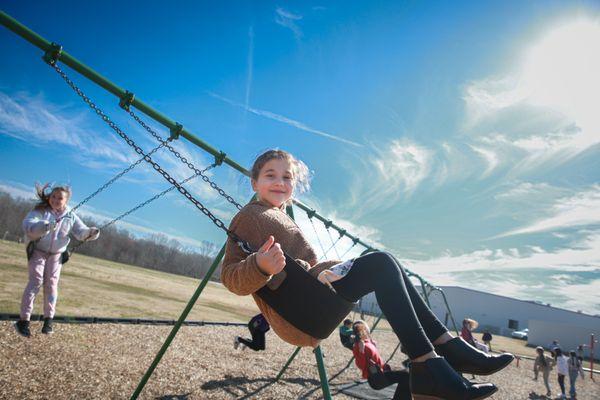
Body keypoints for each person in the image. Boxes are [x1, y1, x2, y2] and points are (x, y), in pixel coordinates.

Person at [221, 149, 514, 400]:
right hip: (299, 313)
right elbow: (231, 278)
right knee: (380, 264)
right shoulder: (251, 216)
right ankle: (436, 363)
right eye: (270, 175)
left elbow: (304, 265)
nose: (280, 182)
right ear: (254, 182)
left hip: (314, 301)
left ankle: (442, 353)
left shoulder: (279, 216)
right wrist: (260, 266)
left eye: (287, 177)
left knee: (387, 265)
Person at [14, 183, 100, 337]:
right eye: (53, 196)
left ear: (66, 200)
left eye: (59, 198)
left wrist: (91, 232)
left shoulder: (70, 215)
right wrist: (45, 226)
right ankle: (23, 321)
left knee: (52, 284)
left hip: (56, 254)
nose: (55, 200)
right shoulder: (41, 210)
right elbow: (28, 226)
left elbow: (81, 232)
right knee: (36, 281)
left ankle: (48, 321)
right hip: (38, 250)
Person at [352, 320, 410, 400]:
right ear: (363, 331)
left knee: (407, 375)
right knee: (406, 375)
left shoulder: (368, 342)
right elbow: (360, 365)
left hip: (382, 373)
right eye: (366, 328)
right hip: (376, 378)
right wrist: (361, 351)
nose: (368, 329)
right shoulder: (359, 345)